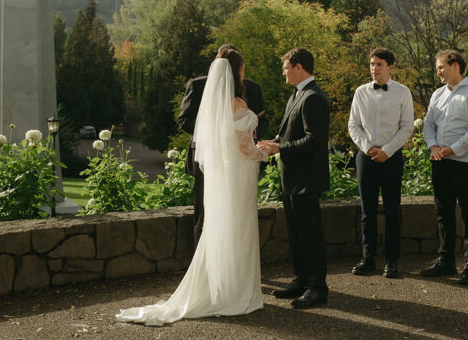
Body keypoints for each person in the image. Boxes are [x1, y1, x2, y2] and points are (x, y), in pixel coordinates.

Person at [116, 50, 268, 325]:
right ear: (237, 71)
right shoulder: (223, 97)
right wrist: (264, 153)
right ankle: (228, 287)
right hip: (232, 168)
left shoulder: (218, 102)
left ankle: (222, 284)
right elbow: (235, 142)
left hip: (223, 168)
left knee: (222, 222)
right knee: (224, 222)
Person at [257, 47, 330, 309]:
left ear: (299, 67)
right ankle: (300, 280)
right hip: (292, 179)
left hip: (307, 179)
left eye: (286, 67)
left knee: (310, 235)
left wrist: (281, 149)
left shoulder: (313, 98)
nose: (283, 72)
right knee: (296, 235)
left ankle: (317, 287)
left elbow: (314, 140)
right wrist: (273, 142)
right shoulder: (297, 95)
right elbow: (290, 134)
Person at [178, 44, 267, 251]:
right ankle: (203, 263)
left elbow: (264, 119)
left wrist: (248, 135)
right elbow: (184, 120)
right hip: (207, 159)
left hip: (239, 161)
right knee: (205, 213)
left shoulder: (252, 88)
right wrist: (216, 136)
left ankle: (231, 263)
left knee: (234, 215)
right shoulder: (198, 85)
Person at [419, 49, 468, 285]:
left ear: (455, 65)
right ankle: (446, 260)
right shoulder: (437, 95)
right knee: (443, 212)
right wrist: (433, 147)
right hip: (439, 161)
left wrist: (453, 149)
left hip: (465, 163)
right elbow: (428, 124)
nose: (437, 72)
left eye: (441, 67)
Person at [347, 47, 414, 279]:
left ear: (390, 67)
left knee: (393, 210)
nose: (374, 69)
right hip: (366, 156)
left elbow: (407, 126)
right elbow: (353, 125)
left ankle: (392, 260)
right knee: (367, 211)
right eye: (372, 64)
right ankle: (368, 258)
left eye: (379, 64)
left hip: (392, 157)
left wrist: (386, 151)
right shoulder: (360, 92)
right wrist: (368, 148)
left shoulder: (403, 92)